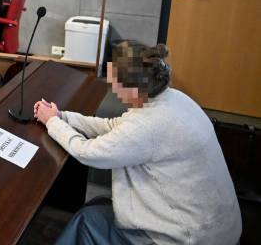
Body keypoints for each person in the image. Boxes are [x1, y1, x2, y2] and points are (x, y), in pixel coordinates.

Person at [34, 41, 242, 245]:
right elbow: (114, 126)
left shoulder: (147, 125)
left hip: (192, 237)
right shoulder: (175, 98)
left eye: (114, 82)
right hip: (218, 227)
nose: (112, 87)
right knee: (99, 206)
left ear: (132, 89)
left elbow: (86, 152)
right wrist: (63, 116)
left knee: (86, 221)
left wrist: (51, 122)